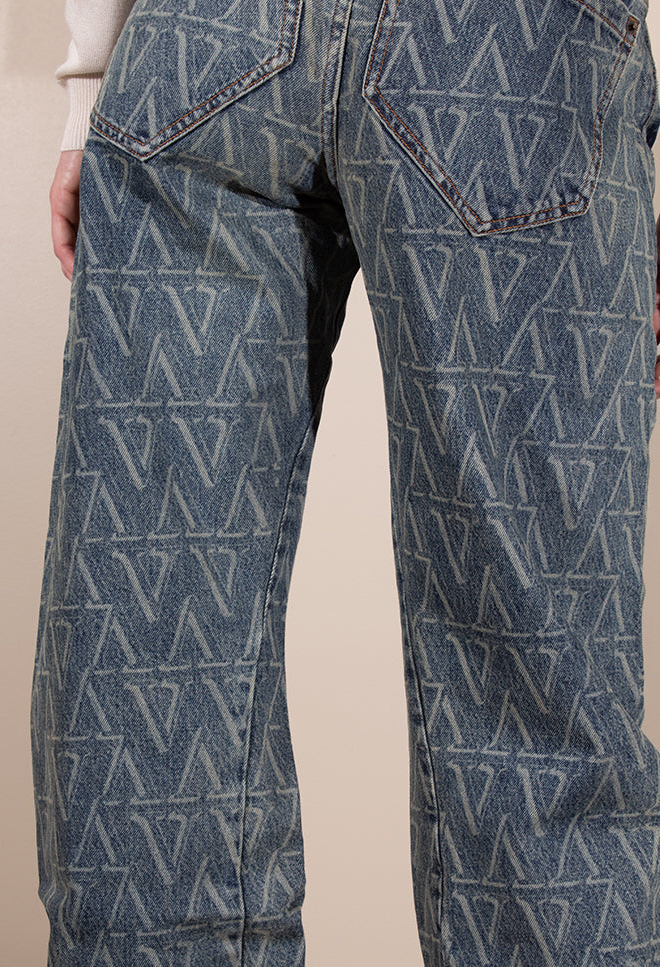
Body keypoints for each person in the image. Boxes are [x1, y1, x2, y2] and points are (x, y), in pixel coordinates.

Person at [33, 0, 660, 964]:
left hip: (202, 41)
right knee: (537, 705)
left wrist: (92, 85)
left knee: (147, 668)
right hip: (512, 56)